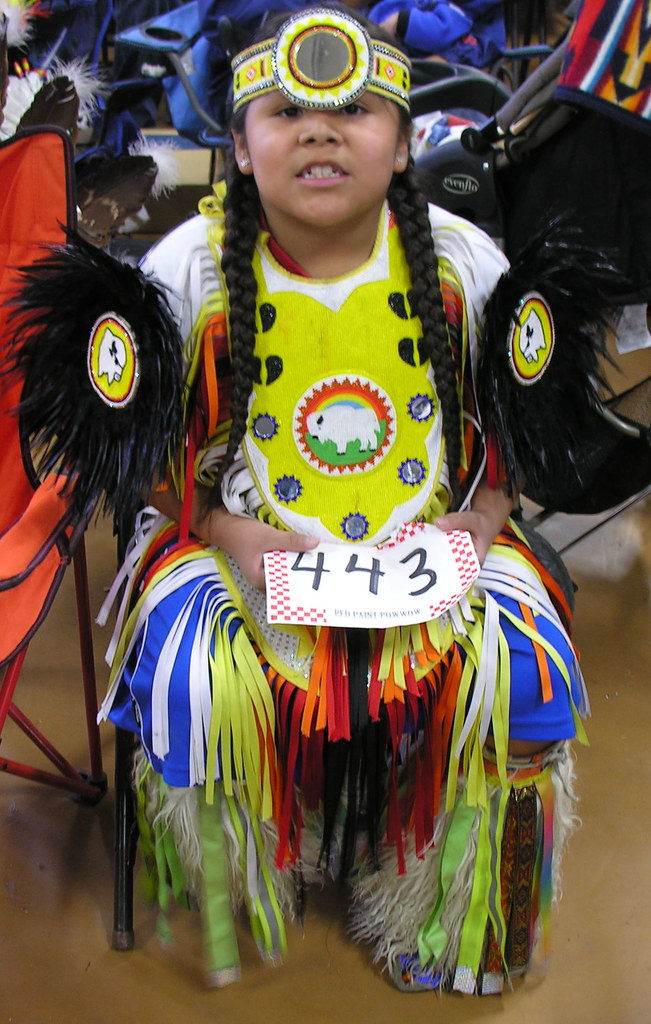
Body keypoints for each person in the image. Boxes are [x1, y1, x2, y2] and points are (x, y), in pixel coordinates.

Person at [97, 3, 586, 995]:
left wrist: (478, 525)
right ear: (238, 144)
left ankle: (448, 907)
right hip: (235, 540)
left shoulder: (464, 265)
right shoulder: (183, 270)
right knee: (194, 669)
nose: (321, 129)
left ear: (406, 146)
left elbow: (518, 444)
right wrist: (236, 535)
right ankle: (262, 860)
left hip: (439, 536)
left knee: (522, 666)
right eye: (284, 112)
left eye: (359, 110)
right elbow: (149, 473)